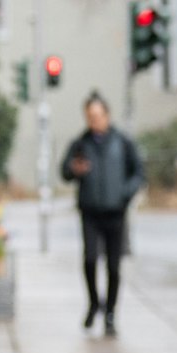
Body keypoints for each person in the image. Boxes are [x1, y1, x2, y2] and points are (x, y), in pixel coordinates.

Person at [60, 93, 145, 336]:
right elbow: (65, 171)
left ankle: (110, 314)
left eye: (97, 116)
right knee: (89, 260)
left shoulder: (123, 142)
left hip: (116, 213)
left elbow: (138, 173)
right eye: (89, 116)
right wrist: (74, 170)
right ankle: (94, 302)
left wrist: (124, 194)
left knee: (114, 266)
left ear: (106, 115)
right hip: (90, 212)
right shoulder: (80, 143)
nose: (93, 120)